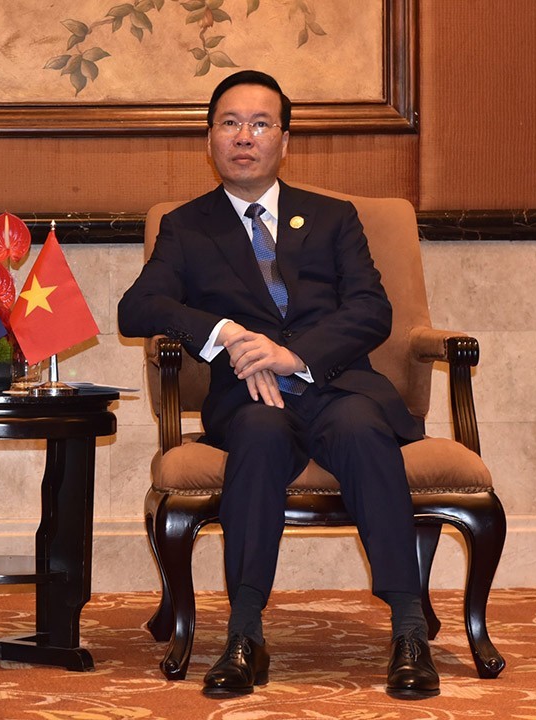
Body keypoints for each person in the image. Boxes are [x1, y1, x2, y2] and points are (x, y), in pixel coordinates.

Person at [118, 70, 439, 700]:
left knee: (360, 429)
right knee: (260, 439)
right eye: (230, 123)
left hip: (337, 385)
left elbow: (371, 310)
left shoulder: (333, 217)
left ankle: (408, 630)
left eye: (260, 124)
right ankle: (244, 634)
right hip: (248, 400)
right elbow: (139, 308)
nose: (245, 137)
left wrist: (293, 355)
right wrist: (228, 334)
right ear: (209, 139)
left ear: (284, 141)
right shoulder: (187, 226)